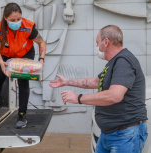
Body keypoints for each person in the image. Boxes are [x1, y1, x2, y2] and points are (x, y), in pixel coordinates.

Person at [50, 25, 148, 153]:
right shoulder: (114, 62)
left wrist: (79, 98)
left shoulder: (124, 61)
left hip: (124, 135)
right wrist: (66, 82)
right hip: (109, 134)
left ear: (106, 42)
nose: (97, 47)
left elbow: (115, 95)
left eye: (97, 43)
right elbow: (95, 81)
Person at [0, 2, 46, 129]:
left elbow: (41, 43)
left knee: (22, 82)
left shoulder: (28, 27)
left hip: (25, 53)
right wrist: (1, 63)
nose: (16, 22)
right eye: (12, 20)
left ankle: (22, 115)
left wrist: (41, 59)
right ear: (5, 18)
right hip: (6, 54)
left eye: (19, 19)